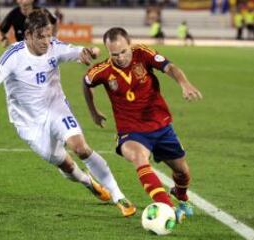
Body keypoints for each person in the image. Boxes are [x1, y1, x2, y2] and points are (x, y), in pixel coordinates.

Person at [0, 11, 136, 217]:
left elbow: (79, 52)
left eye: (49, 35)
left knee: (80, 148)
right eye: (40, 37)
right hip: (28, 122)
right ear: (27, 35)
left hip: (56, 108)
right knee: (67, 164)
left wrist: (88, 52)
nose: (46, 41)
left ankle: (118, 196)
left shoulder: (55, 47)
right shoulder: (13, 55)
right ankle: (87, 181)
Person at [83, 27, 203, 222]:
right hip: (131, 131)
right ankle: (167, 208)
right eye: (114, 54)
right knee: (139, 157)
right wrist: (93, 111)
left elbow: (170, 67)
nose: (120, 57)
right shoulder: (103, 70)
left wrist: (184, 83)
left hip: (160, 124)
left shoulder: (143, 53)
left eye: (123, 51)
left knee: (182, 172)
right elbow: (86, 82)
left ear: (129, 44)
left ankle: (180, 196)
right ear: (108, 52)